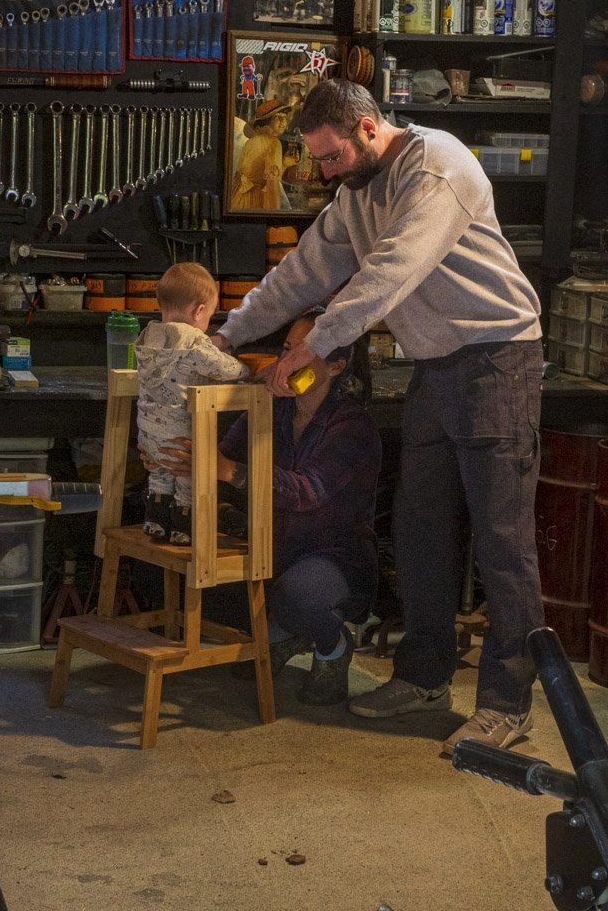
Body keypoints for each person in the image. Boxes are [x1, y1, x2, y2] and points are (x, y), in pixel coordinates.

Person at [208, 78, 545, 755]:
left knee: (502, 543)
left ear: (367, 128)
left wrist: (314, 343)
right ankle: (423, 679)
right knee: (420, 530)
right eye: (317, 162)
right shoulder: (354, 196)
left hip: (497, 362)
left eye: (330, 157)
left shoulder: (437, 167)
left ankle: (508, 705)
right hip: (435, 365)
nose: (324, 172)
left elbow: (391, 272)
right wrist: (227, 335)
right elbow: (300, 273)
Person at [149, 311, 381, 705]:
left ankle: (332, 643)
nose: (286, 362)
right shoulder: (273, 407)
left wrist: (229, 472)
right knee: (198, 581)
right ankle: (283, 630)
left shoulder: (352, 428)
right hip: (275, 546)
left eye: (304, 354)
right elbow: (221, 457)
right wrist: (171, 458)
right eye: (287, 350)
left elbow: (307, 491)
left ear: (336, 366)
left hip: (333, 558)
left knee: (300, 598)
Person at [133, 263, 249, 544]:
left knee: (161, 477)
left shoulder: (149, 336)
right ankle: (183, 529)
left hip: (148, 439)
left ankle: (155, 521)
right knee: (188, 477)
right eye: (209, 315)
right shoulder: (194, 340)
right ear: (198, 311)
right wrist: (245, 369)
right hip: (180, 440)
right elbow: (224, 369)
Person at [231, 100, 292, 211]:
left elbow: (263, 173)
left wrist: (284, 164)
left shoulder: (253, 140)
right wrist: (274, 215)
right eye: (278, 118)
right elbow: (272, 184)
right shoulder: (273, 143)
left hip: (240, 196)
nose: (283, 122)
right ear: (267, 121)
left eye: (285, 118)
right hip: (257, 199)